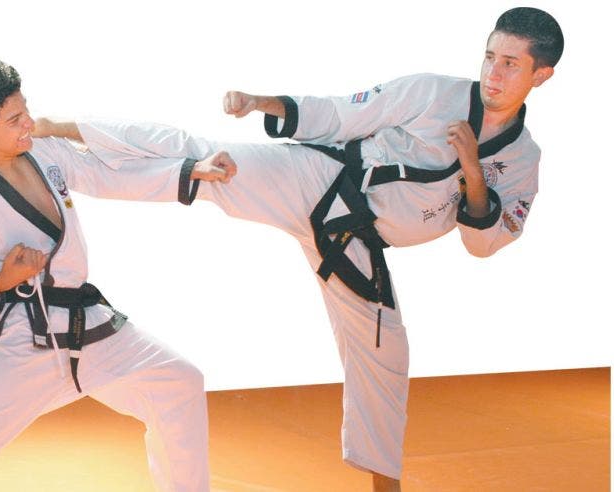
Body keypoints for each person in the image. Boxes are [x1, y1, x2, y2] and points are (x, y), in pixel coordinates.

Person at [32, 7, 563, 491]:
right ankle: (61, 140)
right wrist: (264, 102)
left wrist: (470, 165)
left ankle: (385, 486)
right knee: (205, 161)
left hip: (355, 243)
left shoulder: (522, 159)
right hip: (318, 180)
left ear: (542, 76)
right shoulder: (432, 92)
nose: (493, 73)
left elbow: (482, 243)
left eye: (511, 64)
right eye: (490, 56)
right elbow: (342, 113)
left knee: (387, 353)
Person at [0, 58, 235, 492]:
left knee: (178, 383)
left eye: (25, 108)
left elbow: (107, 175)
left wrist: (188, 170)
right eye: (14, 119)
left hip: (90, 327)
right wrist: (0, 280)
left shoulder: (42, 151)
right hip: (24, 345)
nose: (29, 122)